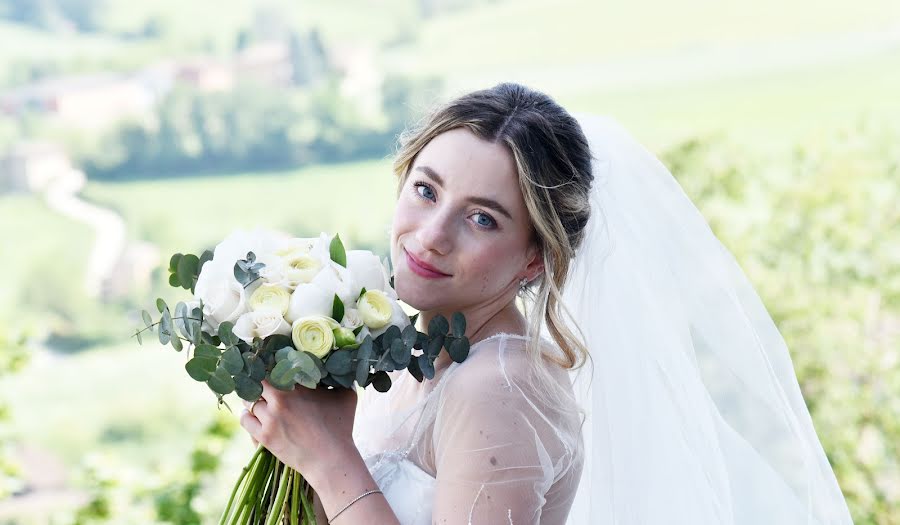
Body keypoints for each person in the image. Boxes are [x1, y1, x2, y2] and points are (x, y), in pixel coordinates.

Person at [240, 82, 853, 524]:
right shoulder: (410, 355)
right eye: (426, 191)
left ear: (535, 258)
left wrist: (327, 458)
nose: (431, 235)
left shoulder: (500, 387)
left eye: (482, 218)